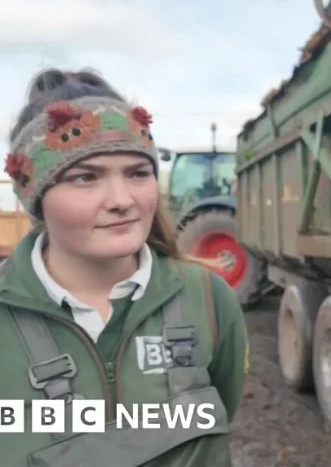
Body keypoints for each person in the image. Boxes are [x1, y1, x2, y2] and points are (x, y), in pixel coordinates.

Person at [0, 68, 248, 466]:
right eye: (86, 177)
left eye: (137, 173)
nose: (122, 200)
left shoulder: (207, 297)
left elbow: (224, 405)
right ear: (36, 197)